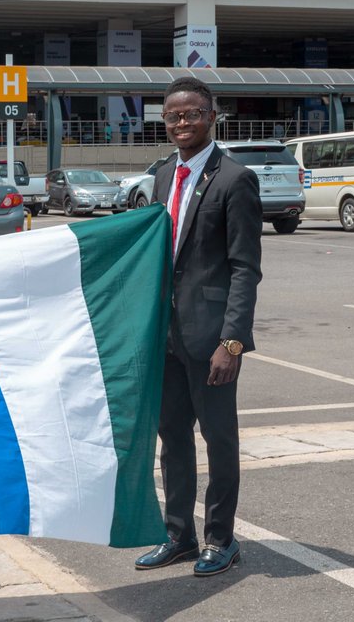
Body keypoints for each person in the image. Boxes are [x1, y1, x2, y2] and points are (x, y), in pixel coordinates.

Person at [135, 76, 262, 577]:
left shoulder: (234, 179)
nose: (182, 123)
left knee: (219, 440)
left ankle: (221, 540)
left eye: (191, 114)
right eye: (173, 116)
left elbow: (245, 268)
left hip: (212, 338)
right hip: (165, 335)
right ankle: (178, 536)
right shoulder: (165, 174)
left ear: (212, 117)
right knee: (172, 439)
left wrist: (232, 342)